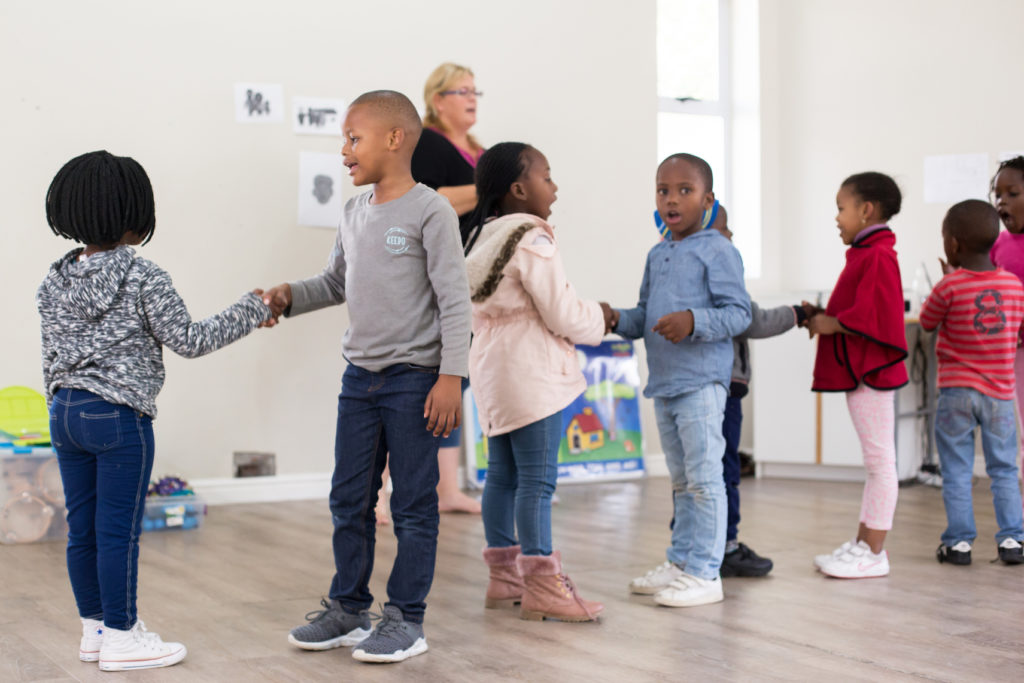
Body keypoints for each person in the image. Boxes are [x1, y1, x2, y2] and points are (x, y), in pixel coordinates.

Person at [37, 151, 271, 671]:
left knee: (84, 528)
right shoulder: (144, 277)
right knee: (118, 530)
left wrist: (61, 400)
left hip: (65, 411)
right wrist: (252, 309)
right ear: (136, 214)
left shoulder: (53, 280)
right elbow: (190, 339)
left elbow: (51, 354)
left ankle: (95, 631)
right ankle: (123, 637)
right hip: (119, 419)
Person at [261, 90, 471, 664]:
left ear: (394, 139)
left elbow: (455, 302)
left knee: (412, 506)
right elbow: (334, 283)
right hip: (360, 381)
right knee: (348, 498)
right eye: (344, 141)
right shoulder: (353, 213)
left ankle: (407, 618)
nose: (345, 152)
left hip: (415, 382)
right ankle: (349, 608)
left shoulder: (431, 211)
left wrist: (451, 376)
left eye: (353, 139)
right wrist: (287, 295)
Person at [465, 142, 606, 622]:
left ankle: (505, 580)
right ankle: (544, 586)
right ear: (519, 188)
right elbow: (562, 312)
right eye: (547, 176)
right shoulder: (532, 239)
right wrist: (603, 319)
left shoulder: (477, 238)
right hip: (533, 371)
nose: (555, 186)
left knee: (502, 476)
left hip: (492, 368)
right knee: (538, 482)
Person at [611, 153, 751, 607]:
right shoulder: (658, 253)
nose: (672, 199)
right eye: (663, 190)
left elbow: (739, 313)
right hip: (665, 385)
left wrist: (694, 321)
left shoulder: (719, 250)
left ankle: (707, 573)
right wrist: (613, 317)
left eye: (684, 191)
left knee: (706, 480)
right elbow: (644, 315)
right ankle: (681, 561)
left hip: (702, 383)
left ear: (708, 199)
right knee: (681, 482)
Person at [805, 172, 908, 579]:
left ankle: (875, 552)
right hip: (864, 372)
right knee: (875, 462)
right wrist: (825, 318)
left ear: (866, 210)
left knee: (881, 463)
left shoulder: (878, 255)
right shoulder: (867, 252)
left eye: (840, 208)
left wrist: (830, 324)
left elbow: (874, 315)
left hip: (874, 374)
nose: (836, 218)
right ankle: (864, 543)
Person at [703, 206, 813, 577]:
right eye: (726, 228)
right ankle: (727, 547)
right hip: (725, 386)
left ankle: (695, 542)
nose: (731, 236)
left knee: (698, 468)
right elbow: (755, 321)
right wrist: (798, 313)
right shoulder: (719, 274)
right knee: (724, 466)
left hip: (699, 385)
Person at [920, 200, 1024, 565]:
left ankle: (959, 544)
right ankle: (1013, 540)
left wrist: (949, 279)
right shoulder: (1013, 286)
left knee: (957, 470)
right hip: (1000, 395)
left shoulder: (950, 287)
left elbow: (928, 321)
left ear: (952, 244)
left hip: (957, 394)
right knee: (1004, 469)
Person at [411, 62, 487, 515]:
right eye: (462, 90)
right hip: (434, 273)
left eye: (476, 91)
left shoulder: (477, 149)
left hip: (471, 275)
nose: (472, 98)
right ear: (438, 99)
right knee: (418, 380)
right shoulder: (429, 142)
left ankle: (448, 489)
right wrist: (489, 188)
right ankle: (380, 493)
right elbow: (431, 197)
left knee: (457, 378)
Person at [989, 156, 1024, 463]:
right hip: (1014, 354)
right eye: (998, 194)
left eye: (1012, 194)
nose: (1002, 202)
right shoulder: (998, 244)